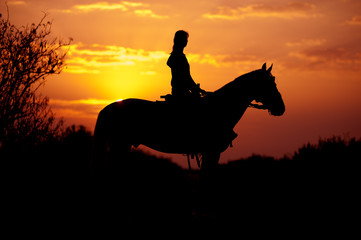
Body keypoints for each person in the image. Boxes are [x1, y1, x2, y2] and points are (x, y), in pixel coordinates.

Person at [167, 30, 205, 99]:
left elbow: (187, 77)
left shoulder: (177, 55)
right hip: (181, 93)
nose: (187, 41)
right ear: (180, 40)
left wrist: (195, 88)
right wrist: (195, 89)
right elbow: (185, 77)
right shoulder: (178, 56)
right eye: (185, 39)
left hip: (180, 91)